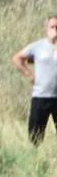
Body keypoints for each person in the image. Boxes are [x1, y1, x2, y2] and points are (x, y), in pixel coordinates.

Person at [12, 14, 57, 145]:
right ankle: (36, 162)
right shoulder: (38, 46)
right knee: (35, 136)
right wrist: (29, 74)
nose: (55, 29)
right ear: (46, 28)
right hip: (41, 96)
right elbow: (17, 58)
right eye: (52, 26)